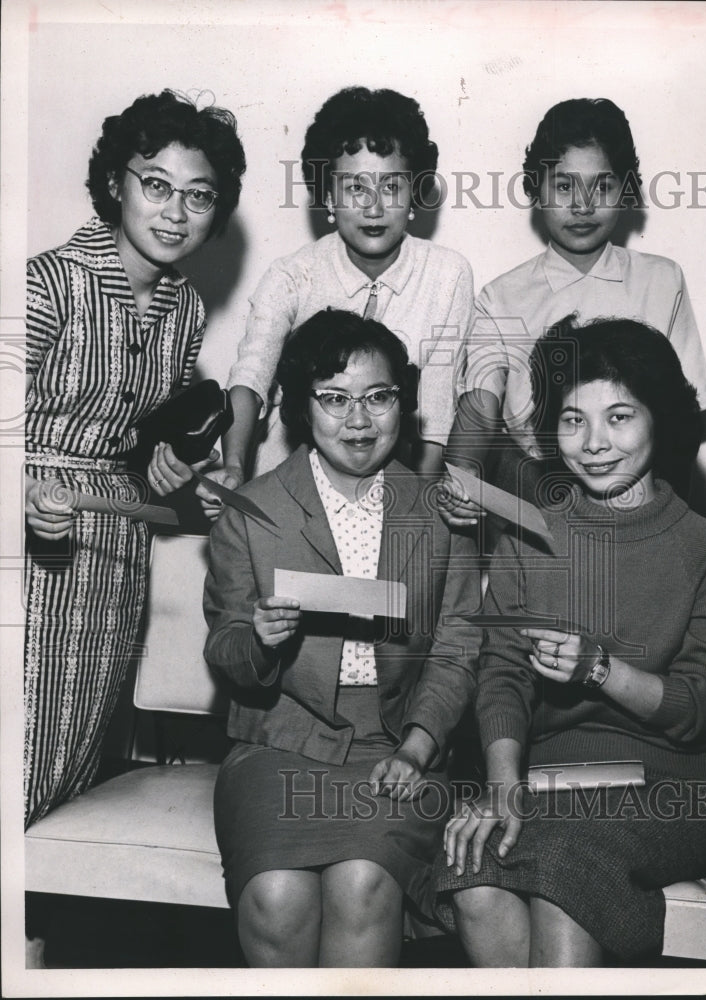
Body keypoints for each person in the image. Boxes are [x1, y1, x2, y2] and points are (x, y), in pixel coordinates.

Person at [434, 316, 706, 966]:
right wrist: (503, 782)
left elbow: (702, 711)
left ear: (659, 419)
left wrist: (599, 669)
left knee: (567, 858)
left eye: (618, 417)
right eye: (571, 420)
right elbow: (500, 674)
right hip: (553, 778)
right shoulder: (530, 532)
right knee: (471, 864)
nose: (592, 444)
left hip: (673, 783)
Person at [204, 309, 479, 967]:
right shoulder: (251, 511)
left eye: (378, 397)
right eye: (333, 399)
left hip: (399, 742)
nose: (358, 421)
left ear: (403, 405)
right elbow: (227, 653)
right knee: (275, 897)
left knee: (362, 887)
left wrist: (417, 749)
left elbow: (456, 647)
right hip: (279, 739)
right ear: (301, 409)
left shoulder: (440, 511)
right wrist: (261, 640)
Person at [25, 89, 246, 833]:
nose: (174, 213)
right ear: (117, 182)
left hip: (115, 550)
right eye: (156, 185)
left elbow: (150, 434)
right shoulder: (48, 283)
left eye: (198, 196)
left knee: (77, 757)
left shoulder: (183, 309)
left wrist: (174, 465)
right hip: (26, 548)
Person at [198, 85, 474, 518]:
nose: (374, 207)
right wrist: (233, 466)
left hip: (394, 488)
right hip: (288, 493)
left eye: (391, 186)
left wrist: (410, 514)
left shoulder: (448, 274)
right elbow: (250, 379)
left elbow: (436, 415)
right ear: (326, 195)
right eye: (354, 188)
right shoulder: (292, 274)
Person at [442, 97, 706, 526]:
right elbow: (480, 408)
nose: (583, 205)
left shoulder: (662, 280)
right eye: (564, 186)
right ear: (536, 189)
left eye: (602, 187)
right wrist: (460, 482)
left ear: (626, 190)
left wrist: (665, 525)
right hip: (539, 508)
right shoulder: (502, 297)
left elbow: (684, 423)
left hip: (642, 502)